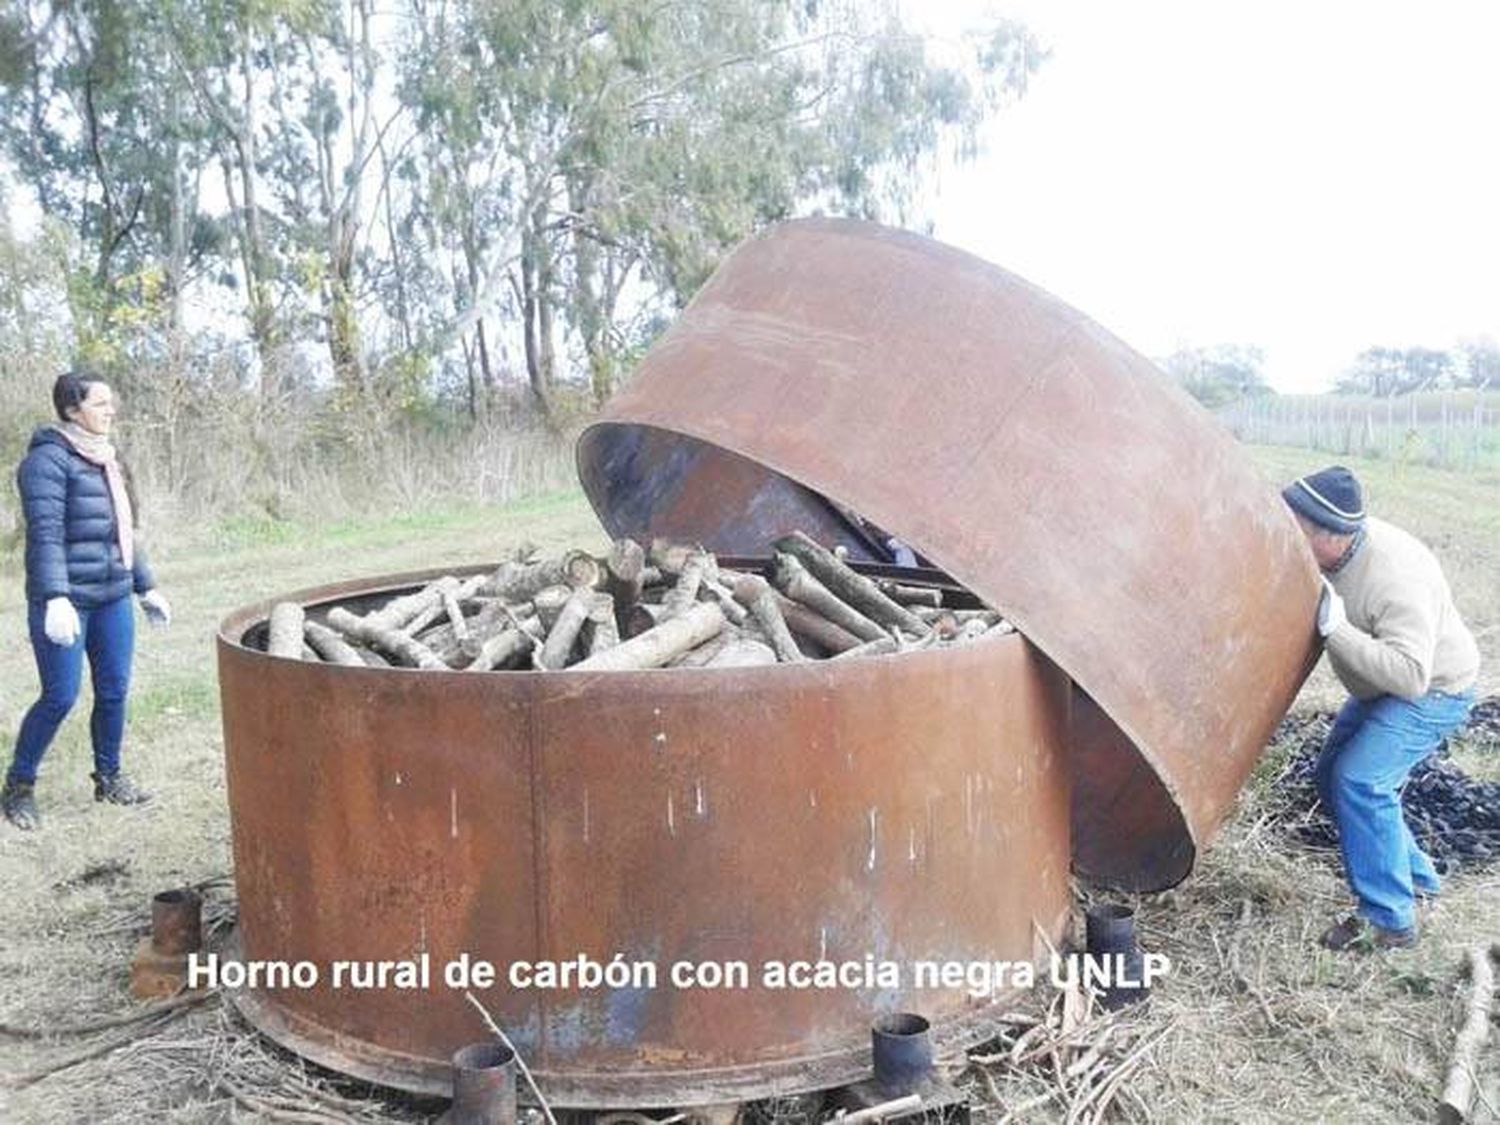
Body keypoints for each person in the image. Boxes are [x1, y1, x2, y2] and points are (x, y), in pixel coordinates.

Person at [1282, 465, 1479, 951]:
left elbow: (1411, 676)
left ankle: (1389, 920)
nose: (1285, 534)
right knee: (1332, 779)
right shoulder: (1331, 556)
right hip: (1379, 688)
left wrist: (1338, 629)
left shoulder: (1394, 575)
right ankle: (1419, 883)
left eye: (1295, 529)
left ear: (1328, 535)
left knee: (1361, 781)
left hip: (1434, 690)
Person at [1, 373, 172, 831]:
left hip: (112, 594)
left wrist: (145, 585)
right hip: (67, 600)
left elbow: (124, 532)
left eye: (110, 403)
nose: (110, 410)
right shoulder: (45, 462)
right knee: (60, 695)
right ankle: (17, 786)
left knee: (114, 690)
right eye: (100, 404)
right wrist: (55, 596)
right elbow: (46, 535)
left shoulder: (110, 458)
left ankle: (109, 777)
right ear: (72, 410)